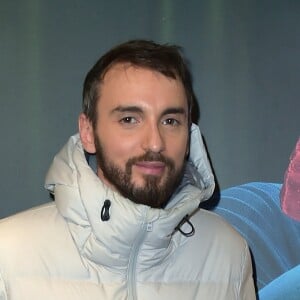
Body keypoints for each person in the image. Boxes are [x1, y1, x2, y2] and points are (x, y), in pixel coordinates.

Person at [0, 40, 255, 299]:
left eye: (170, 121)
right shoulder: (8, 254)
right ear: (88, 132)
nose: (155, 142)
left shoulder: (228, 255)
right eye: (129, 119)